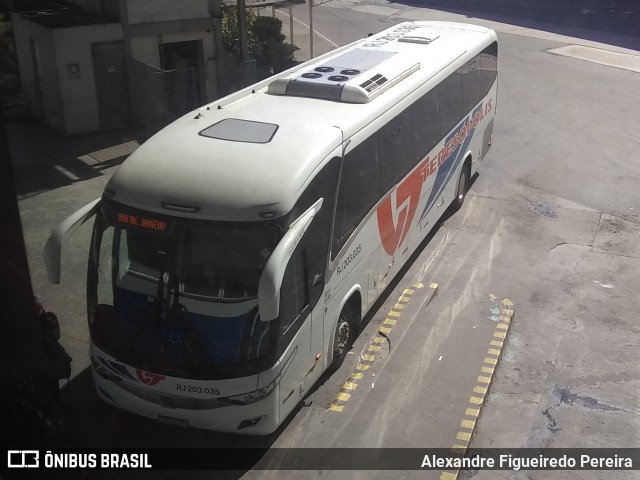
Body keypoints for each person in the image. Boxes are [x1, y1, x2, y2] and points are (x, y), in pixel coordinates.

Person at [34, 296, 72, 407]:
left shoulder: (47, 319)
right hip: (44, 358)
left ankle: (54, 403)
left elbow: (53, 337)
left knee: (51, 382)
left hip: (47, 358)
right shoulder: (48, 318)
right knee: (51, 383)